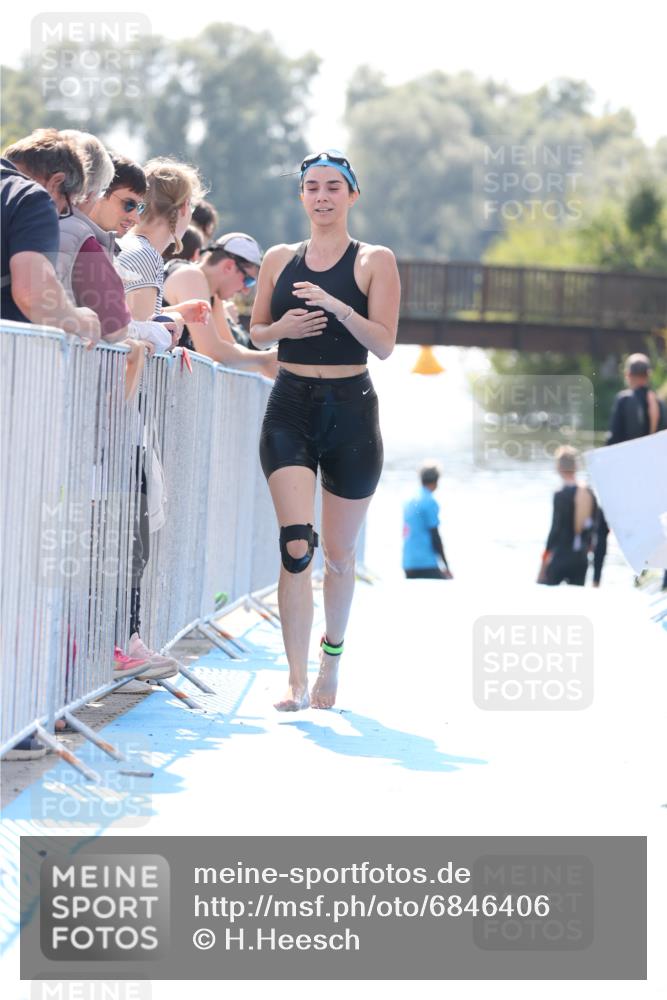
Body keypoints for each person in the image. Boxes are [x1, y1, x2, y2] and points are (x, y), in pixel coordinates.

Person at [250, 149, 401, 710]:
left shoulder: (373, 260)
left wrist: (338, 307)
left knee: (338, 555)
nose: (321, 196)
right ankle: (293, 677)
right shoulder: (278, 258)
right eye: (312, 187)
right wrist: (281, 327)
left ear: (352, 196)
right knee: (296, 547)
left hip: (351, 409)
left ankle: (329, 660)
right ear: (301, 197)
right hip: (290, 402)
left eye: (333, 187)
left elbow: (384, 344)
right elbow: (258, 331)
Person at [1, 129, 100, 345]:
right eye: (64, 207)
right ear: (56, 182)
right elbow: (32, 292)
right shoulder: (31, 197)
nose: (59, 217)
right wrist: (80, 321)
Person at [593, 353, 667, 586]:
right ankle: (660, 582)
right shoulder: (661, 405)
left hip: (624, 476)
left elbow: (613, 441)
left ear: (628, 375)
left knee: (602, 525)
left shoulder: (624, 400)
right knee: (657, 529)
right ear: (648, 376)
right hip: (652, 478)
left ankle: (595, 580)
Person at [163, 232, 278, 374]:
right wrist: (266, 358)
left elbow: (230, 346)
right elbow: (211, 350)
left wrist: (271, 364)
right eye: (249, 280)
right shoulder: (190, 276)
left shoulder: (213, 295)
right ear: (229, 266)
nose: (246, 290)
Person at [538, 446, 596, 587]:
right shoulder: (589, 492)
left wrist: (544, 562)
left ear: (559, 468)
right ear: (576, 467)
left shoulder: (560, 495)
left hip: (560, 556)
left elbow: (555, 530)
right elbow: (594, 527)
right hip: (581, 559)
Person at [402, 462, 453, 579]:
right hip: (425, 563)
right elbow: (435, 535)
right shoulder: (430, 502)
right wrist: (446, 566)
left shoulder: (409, 500)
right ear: (436, 480)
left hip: (408, 563)